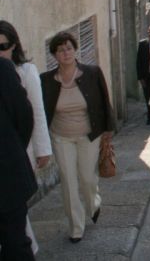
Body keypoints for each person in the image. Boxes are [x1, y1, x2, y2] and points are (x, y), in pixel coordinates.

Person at [40, 32, 115, 243]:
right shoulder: (46, 80)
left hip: (88, 135)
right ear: (54, 54)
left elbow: (104, 100)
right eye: (60, 49)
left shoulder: (91, 73)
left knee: (87, 178)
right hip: (60, 136)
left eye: (69, 48)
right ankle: (76, 226)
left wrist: (109, 129)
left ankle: (94, 203)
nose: (65, 53)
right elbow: (41, 110)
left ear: (75, 50)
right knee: (68, 182)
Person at [0, 21, 52, 254]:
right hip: (13, 151)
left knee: (15, 219)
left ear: (14, 45)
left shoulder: (23, 71)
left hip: (17, 152)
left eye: (3, 46)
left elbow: (33, 114)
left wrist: (41, 148)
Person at [0, 57, 37, 260]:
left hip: (6, 178)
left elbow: (23, 115)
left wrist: (10, 152)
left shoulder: (2, 69)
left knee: (14, 244)